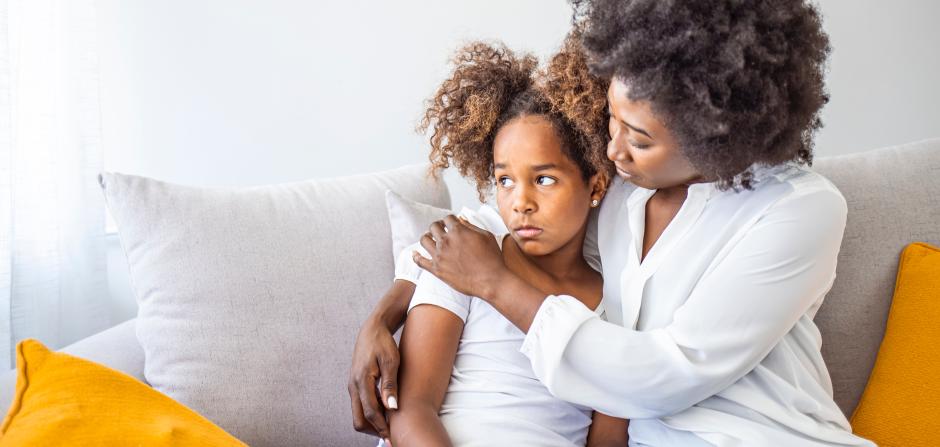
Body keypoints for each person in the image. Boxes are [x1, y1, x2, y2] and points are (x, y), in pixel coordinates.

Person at [350, 1, 875, 445]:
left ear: (713, 135)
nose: (612, 149)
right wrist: (384, 315)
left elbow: (665, 375)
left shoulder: (797, 209)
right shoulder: (623, 192)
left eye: (639, 138)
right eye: (611, 119)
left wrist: (494, 283)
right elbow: (494, 223)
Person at [381, 35, 629, 447]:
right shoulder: (464, 253)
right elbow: (411, 409)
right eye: (504, 181)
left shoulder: (616, 304)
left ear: (595, 184)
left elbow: (607, 437)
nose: (521, 203)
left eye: (544, 179)